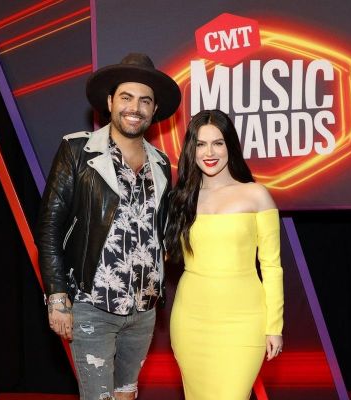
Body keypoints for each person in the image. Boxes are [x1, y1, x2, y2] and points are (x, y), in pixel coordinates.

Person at [35, 53, 181, 400]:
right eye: (127, 97)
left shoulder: (161, 163)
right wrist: (57, 296)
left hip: (143, 310)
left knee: (126, 394)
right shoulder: (78, 150)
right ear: (110, 101)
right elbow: (49, 226)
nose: (135, 108)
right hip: (92, 305)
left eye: (145, 100)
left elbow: (160, 231)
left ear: (154, 109)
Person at [166, 109, 284, 400]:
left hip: (244, 321)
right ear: (191, 150)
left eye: (218, 143)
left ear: (229, 146)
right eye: (201, 144)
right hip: (190, 320)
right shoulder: (181, 199)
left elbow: (271, 266)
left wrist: (274, 326)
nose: (209, 152)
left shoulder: (256, 195)